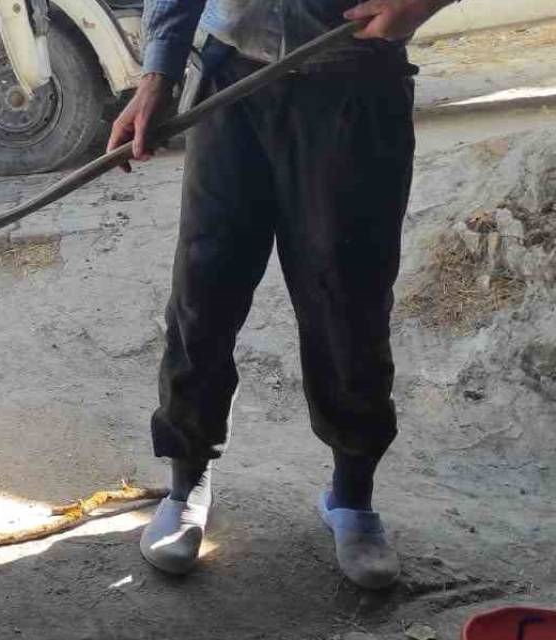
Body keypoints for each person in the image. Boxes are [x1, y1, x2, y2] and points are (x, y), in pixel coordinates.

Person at [107, 0, 457, 589]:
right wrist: (158, 72)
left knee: (349, 301)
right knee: (204, 291)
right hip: (233, 78)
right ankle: (187, 478)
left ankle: (351, 497)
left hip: (353, 76)